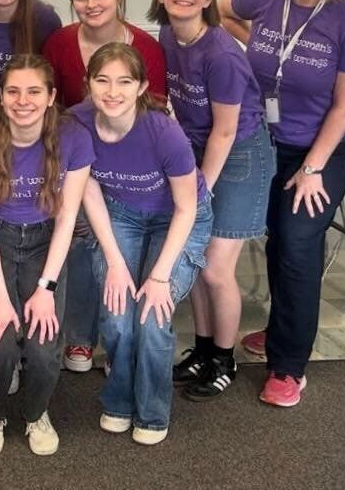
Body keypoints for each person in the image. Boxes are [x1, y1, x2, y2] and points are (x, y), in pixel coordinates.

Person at [218, 0, 345, 407]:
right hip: (267, 139)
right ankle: (285, 324)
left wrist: (312, 168)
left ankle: (289, 365)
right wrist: (247, 38)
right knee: (276, 233)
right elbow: (219, 7)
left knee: (299, 243)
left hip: (326, 146)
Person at [146, 0, 275, 400]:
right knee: (195, 259)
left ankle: (224, 358)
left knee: (217, 267)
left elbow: (224, 130)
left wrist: (199, 190)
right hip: (201, 148)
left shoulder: (221, 55)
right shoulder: (167, 34)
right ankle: (201, 350)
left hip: (239, 154)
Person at [75, 42, 212, 445]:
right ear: (88, 84)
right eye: (102, 80)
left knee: (151, 318)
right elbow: (91, 193)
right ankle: (118, 400)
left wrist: (159, 276)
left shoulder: (163, 132)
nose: (112, 91)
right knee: (118, 315)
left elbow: (187, 209)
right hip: (120, 215)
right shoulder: (77, 123)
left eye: (124, 81)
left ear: (142, 86)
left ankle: (152, 412)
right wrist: (115, 262)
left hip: (179, 219)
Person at [0, 55, 93, 456]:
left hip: (45, 240)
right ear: (0, 97)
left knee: (42, 346)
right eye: (13, 91)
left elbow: (69, 216)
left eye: (34, 91)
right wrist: (1, 298)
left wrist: (46, 288)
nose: (23, 100)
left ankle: (37, 413)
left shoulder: (74, 137)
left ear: (52, 96)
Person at [42, 0, 167, 374]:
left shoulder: (147, 48)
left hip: (131, 170)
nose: (91, 3)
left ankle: (121, 342)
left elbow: (155, 115)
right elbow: (51, 109)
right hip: (78, 164)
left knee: (125, 243)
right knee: (79, 237)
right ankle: (79, 338)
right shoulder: (59, 42)